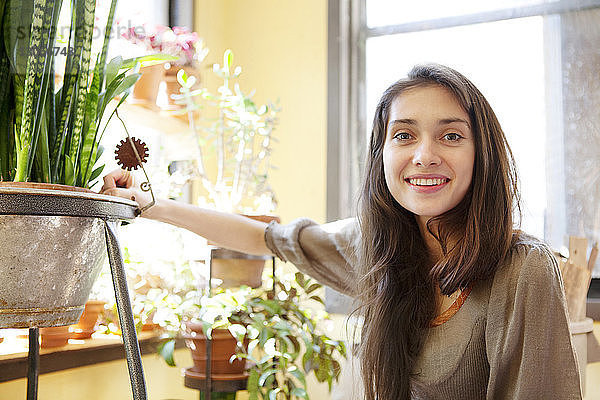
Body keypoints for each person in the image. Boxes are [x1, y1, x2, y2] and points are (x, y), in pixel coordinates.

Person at [101, 64, 581, 399]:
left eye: (451, 135)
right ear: (382, 156)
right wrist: (149, 205)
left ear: (482, 154)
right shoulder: (378, 248)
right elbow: (261, 237)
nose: (424, 155)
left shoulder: (522, 269)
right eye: (404, 135)